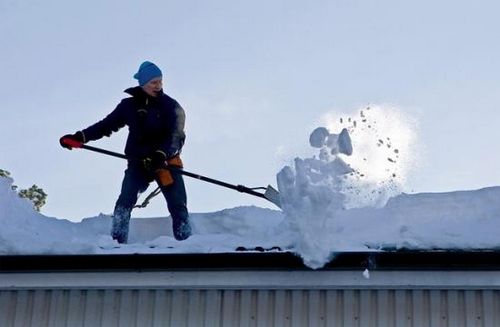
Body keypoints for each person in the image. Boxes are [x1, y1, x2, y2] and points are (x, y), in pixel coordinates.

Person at [60, 61, 192, 243]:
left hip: (165, 164)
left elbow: (176, 135)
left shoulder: (171, 107)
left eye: (160, 81)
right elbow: (107, 125)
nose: (158, 86)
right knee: (124, 202)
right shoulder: (129, 106)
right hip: (138, 164)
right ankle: (117, 243)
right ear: (143, 84)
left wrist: (161, 154)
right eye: (153, 82)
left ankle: (186, 243)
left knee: (178, 205)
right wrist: (81, 137)